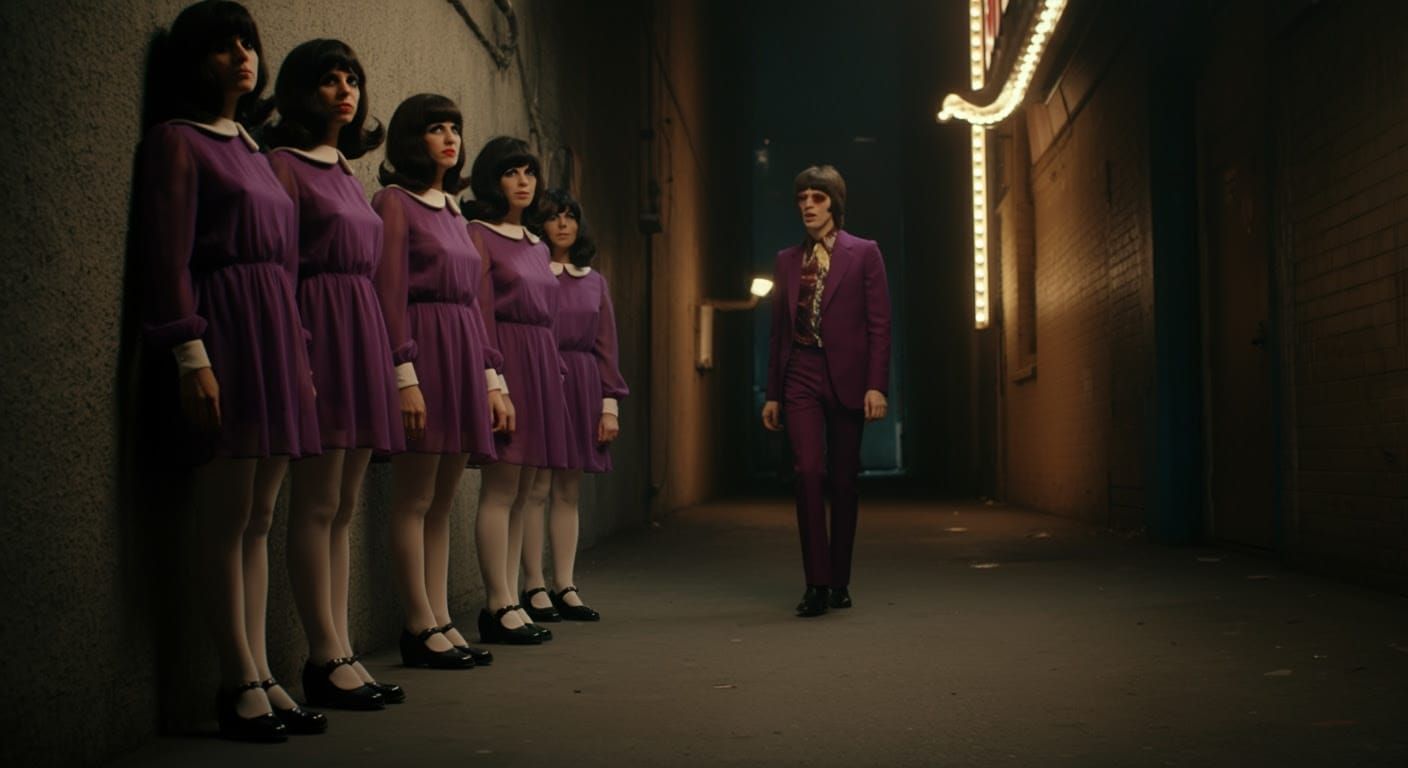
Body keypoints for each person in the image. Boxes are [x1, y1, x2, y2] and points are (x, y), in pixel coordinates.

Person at [137, 0, 323, 741]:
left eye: (248, 43)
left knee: (262, 517)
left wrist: (303, 352)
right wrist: (190, 353)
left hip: (276, 330)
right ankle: (236, 675)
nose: (242, 56)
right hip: (226, 329)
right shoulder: (176, 142)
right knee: (226, 512)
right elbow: (167, 253)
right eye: (222, 46)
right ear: (193, 61)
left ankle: (264, 669)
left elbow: (288, 262)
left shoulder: (253, 146)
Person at [264, 38, 402, 709]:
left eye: (352, 78)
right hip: (319, 326)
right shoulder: (283, 166)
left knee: (342, 506)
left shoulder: (348, 172)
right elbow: (279, 269)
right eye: (328, 80)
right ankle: (322, 651)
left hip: (362, 329)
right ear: (299, 90)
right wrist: (297, 350)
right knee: (316, 502)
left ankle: (340, 646)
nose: (345, 90)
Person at [372, 94, 507, 669]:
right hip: (423, 350)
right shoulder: (394, 203)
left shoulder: (455, 211)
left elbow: (476, 303)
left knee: (444, 498)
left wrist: (488, 374)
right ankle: (416, 621)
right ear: (411, 138)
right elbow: (389, 291)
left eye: (455, 127)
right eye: (435, 129)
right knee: (414, 494)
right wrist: (404, 373)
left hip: (459, 352)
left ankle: (441, 616)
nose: (449, 138)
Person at [761, 165, 891, 618]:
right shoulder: (786, 261)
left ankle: (840, 580)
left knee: (843, 481)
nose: (808, 206)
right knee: (809, 472)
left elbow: (879, 324)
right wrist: (773, 392)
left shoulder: (865, 254)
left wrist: (877, 385)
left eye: (817, 198)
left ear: (834, 202)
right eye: (802, 199)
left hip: (849, 377)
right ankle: (816, 582)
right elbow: (778, 331)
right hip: (800, 372)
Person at [463, 137, 569, 644]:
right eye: (511, 172)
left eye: (529, 171)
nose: (523, 180)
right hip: (507, 359)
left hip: (542, 361)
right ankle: (496, 600)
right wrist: (492, 379)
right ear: (492, 179)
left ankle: (511, 598)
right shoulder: (479, 234)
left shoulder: (536, 243)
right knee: (502, 487)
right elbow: (479, 310)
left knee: (527, 489)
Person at [520, 189, 628, 623]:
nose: (563, 224)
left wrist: (610, 406)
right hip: (542, 375)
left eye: (570, 216)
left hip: (582, 381)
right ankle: (532, 584)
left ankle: (565, 583)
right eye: (553, 216)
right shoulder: (532, 271)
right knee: (536, 487)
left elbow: (607, 346)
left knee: (568, 489)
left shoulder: (594, 280)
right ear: (539, 224)